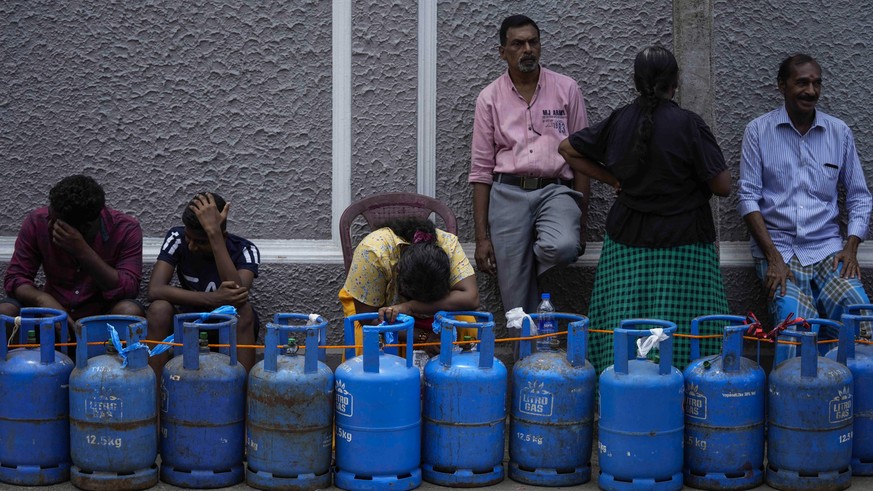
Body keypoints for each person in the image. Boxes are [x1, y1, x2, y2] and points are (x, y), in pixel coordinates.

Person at [558, 46, 731, 373]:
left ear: (635, 82)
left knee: (624, 320)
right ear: (675, 82)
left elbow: (567, 148)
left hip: (627, 243)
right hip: (686, 244)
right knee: (685, 323)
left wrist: (612, 179)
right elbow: (722, 186)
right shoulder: (689, 124)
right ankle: (692, 393)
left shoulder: (620, 121)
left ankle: (621, 387)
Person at [737, 53, 872, 363]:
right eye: (801, 83)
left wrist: (851, 249)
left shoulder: (839, 133)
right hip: (779, 251)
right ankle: (797, 404)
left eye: (816, 83)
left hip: (828, 249)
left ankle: (855, 399)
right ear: (782, 86)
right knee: (795, 326)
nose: (811, 91)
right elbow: (747, 198)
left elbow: (859, 196)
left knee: (861, 316)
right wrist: (773, 259)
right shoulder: (758, 131)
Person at [469, 15, 589, 333]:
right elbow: (481, 171)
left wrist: (582, 219)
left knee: (562, 246)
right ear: (502, 52)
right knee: (516, 303)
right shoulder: (489, 98)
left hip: (556, 190)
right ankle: (528, 368)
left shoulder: (566, 89)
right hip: (507, 192)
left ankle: (522, 264)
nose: (527, 49)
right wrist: (482, 239)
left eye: (533, 42)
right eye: (518, 44)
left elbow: (582, 159)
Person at [1, 174, 144, 340]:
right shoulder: (37, 221)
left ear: (86, 227)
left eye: (57, 223)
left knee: (129, 311)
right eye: (50, 217)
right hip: (49, 311)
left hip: (99, 316)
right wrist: (43, 301)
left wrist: (83, 251)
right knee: (5, 311)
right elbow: (15, 278)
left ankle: (108, 365)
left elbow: (129, 289)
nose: (50, 225)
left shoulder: (125, 228)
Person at [146, 192, 260, 373]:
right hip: (188, 321)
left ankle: (243, 396)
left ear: (223, 235)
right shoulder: (176, 237)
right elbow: (155, 289)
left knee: (244, 312)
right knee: (159, 309)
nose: (191, 245)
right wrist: (212, 299)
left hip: (226, 325)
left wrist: (214, 236)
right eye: (188, 238)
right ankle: (155, 395)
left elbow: (236, 298)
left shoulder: (245, 249)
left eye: (200, 241)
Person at [339, 217, 478, 355]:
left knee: (468, 325)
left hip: (433, 307)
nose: (421, 315)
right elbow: (366, 319)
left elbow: (471, 298)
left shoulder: (448, 245)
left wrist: (411, 306)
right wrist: (423, 338)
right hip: (372, 308)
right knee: (365, 344)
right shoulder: (373, 252)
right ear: (398, 273)